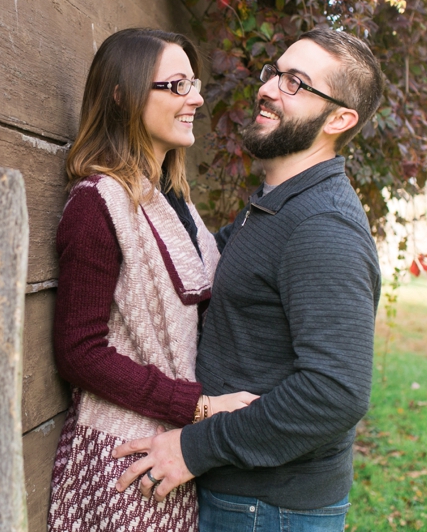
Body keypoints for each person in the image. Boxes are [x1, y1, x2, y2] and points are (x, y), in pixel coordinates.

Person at [113, 27, 385, 532]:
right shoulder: (276, 207)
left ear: (340, 119)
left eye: (296, 83)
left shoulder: (323, 225)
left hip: (269, 508)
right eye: (275, 73)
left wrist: (195, 448)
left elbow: (337, 392)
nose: (268, 88)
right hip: (246, 500)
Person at [47, 28, 258, 531]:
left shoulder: (175, 203)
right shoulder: (99, 203)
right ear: (123, 94)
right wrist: (199, 406)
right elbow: (79, 350)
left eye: (195, 84)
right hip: (122, 462)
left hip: (172, 455)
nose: (197, 98)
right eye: (177, 85)